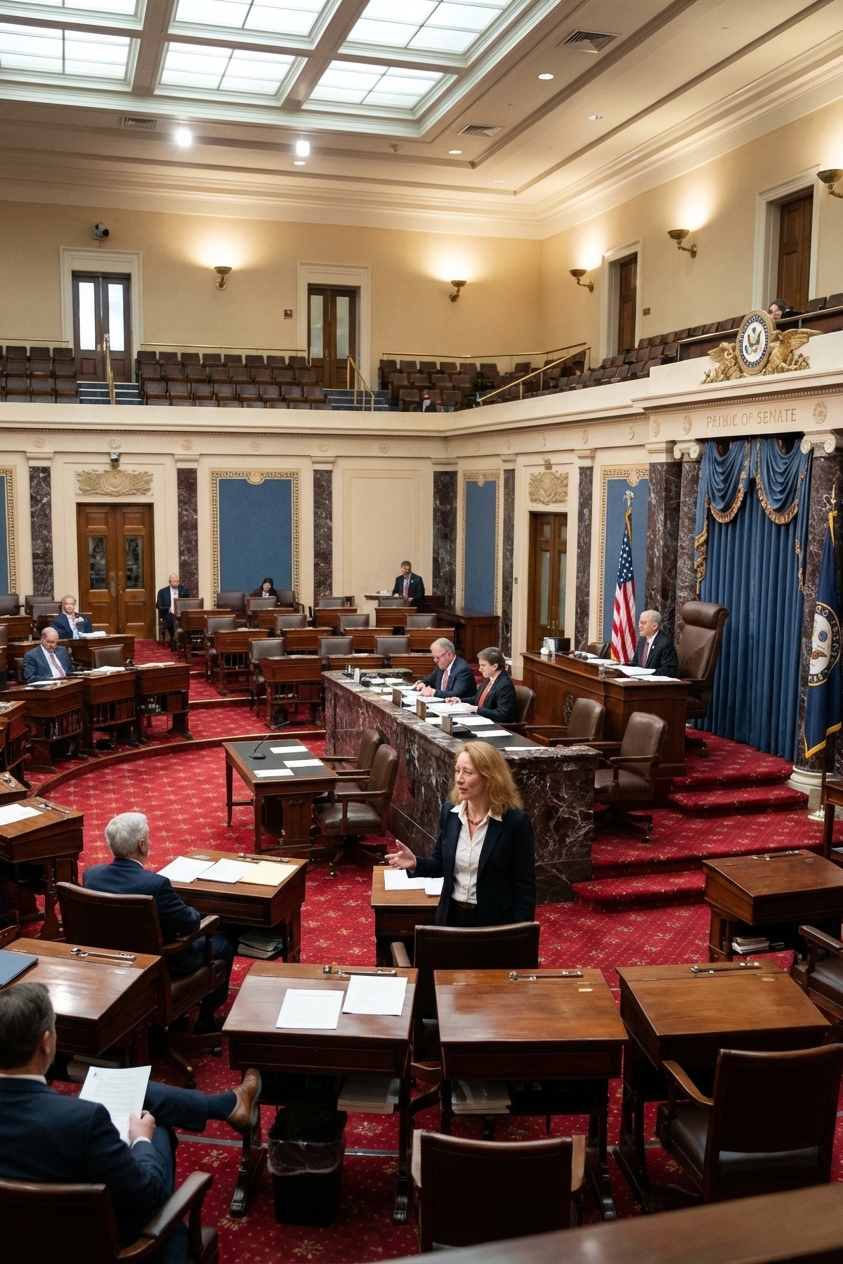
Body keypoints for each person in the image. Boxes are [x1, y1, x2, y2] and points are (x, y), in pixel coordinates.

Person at [0, 982, 261, 1263]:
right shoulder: (83, 1121)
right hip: (115, 1248)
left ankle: (227, 1105)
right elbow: (147, 1195)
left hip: (17, 1244)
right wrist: (141, 1140)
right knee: (154, 1123)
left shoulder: (76, 1118)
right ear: (46, 1041)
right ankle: (227, 1106)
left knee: (142, 1095)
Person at [83, 812, 234, 1035]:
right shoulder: (156, 885)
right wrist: (195, 911)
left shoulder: (91, 875)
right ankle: (205, 1019)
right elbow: (191, 924)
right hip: (161, 963)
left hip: (111, 960)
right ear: (141, 845)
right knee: (224, 942)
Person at [387, 742, 535, 927]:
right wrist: (415, 863)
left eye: (468, 772)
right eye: (457, 771)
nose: (459, 779)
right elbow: (441, 864)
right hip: (452, 917)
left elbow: (524, 886)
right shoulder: (450, 813)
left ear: (489, 777)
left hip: (495, 922)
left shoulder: (515, 822)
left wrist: (522, 935)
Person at [448, 646, 517, 723]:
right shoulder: (488, 679)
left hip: (495, 727)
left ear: (495, 666)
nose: (480, 669)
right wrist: (460, 700)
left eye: (483, 665)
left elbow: (503, 715)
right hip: (480, 720)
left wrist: (477, 710)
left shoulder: (505, 685)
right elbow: (478, 700)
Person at [630, 610, 679, 677]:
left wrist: (649, 673)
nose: (640, 626)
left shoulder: (665, 643)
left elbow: (670, 670)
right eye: (639, 623)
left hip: (655, 685)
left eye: (643, 623)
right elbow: (635, 663)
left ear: (654, 626)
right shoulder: (642, 640)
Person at [156, 572, 189, 651]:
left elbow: (188, 602)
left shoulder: (184, 590)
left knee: (186, 620)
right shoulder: (162, 592)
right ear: (170, 582)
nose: (175, 583)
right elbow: (158, 605)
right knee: (170, 618)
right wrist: (167, 608)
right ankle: (174, 639)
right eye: (173, 581)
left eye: (177, 581)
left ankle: (182, 641)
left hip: (181, 613)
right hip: (168, 613)